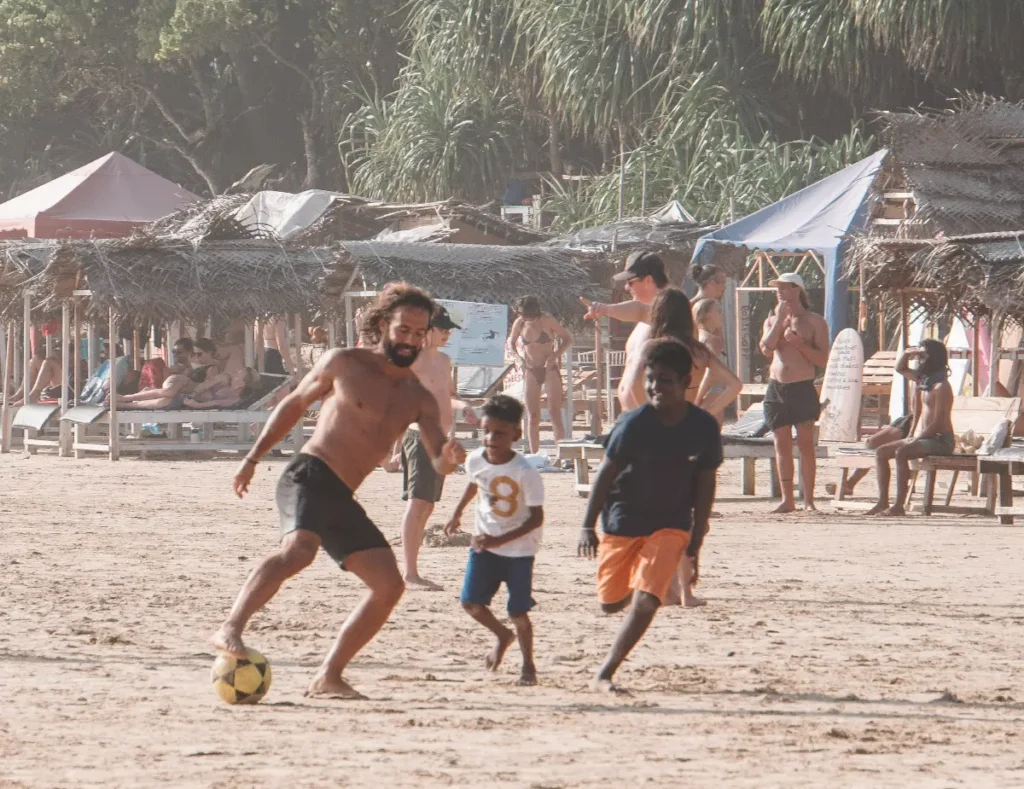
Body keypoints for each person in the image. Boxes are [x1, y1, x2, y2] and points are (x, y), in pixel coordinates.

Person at [212, 283, 466, 700]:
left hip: (342, 495)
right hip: (310, 474)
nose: (411, 341)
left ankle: (328, 676)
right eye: (404, 330)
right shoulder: (345, 363)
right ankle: (231, 627)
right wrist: (253, 457)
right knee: (299, 551)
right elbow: (294, 404)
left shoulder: (417, 397)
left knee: (389, 585)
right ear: (384, 325)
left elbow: (439, 458)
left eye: (419, 334)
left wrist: (451, 458)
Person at [577, 339, 721, 691]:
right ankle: (629, 588)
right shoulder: (634, 424)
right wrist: (586, 525)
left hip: (671, 523)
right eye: (651, 378)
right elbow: (606, 473)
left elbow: (706, 483)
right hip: (623, 520)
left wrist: (696, 539)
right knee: (610, 604)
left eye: (666, 379)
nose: (656, 387)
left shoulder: (702, 428)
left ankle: (606, 671)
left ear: (687, 382)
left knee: (647, 599)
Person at [646, 288, 740, 607]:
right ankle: (686, 591)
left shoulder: (653, 348)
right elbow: (734, 385)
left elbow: (635, 390)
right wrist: (707, 410)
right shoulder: (698, 351)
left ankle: (668, 588)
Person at [444, 394, 544, 686]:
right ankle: (502, 635)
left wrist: (500, 541)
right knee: (471, 603)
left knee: (518, 611)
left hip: (519, 552)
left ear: (516, 433)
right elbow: (474, 483)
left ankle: (528, 666)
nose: (490, 438)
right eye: (486, 431)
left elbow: (536, 518)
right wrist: (457, 512)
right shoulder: (476, 459)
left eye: (499, 433)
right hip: (483, 548)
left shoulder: (526, 472)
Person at [399, 305, 478, 591]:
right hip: (419, 436)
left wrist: (465, 406)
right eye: (442, 329)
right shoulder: (411, 360)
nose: (447, 334)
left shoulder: (444, 361)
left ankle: (412, 569)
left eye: (448, 330)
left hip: (442, 441)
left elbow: (449, 397)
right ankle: (409, 572)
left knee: (428, 505)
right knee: (417, 502)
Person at [758, 273, 830, 513]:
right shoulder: (771, 321)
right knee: (781, 443)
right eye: (777, 288)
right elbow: (766, 350)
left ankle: (809, 499)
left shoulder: (814, 321)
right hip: (776, 387)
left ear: (797, 290)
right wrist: (779, 322)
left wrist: (800, 344)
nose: (780, 291)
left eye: (785, 287)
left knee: (806, 443)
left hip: (802, 386)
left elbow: (823, 359)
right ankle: (787, 499)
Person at [866, 340, 955, 516]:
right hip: (925, 437)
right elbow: (900, 369)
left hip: (940, 439)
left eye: (923, 356)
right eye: (918, 356)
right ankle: (882, 501)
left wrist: (916, 438)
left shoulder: (941, 386)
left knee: (902, 452)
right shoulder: (925, 381)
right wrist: (907, 354)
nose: (919, 360)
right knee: (881, 452)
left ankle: (899, 505)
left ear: (934, 358)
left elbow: (938, 422)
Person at [580, 251, 670, 413]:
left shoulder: (668, 311)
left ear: (648, 280)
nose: (626, 287)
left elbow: (640, 311)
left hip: (656, 418)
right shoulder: (646, 318)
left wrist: (605, 309)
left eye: (630, 281)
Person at [508, 296, 573, 453]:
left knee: (554, 413)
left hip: (549, 368)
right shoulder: (520, 323)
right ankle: (534, 454)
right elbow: (511, 343)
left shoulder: (547, 320)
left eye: (527, 314)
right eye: (521, 314)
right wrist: (519, 359)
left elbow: (567, 339)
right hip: (531, 368)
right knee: (533, 416)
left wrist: (555, 355)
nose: (525, 317)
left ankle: (561, 456)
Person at [113, 338, 199, 409]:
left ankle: (124, 402)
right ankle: (125, 400)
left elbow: (175, 389)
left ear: (190, 352)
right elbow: (164, 386)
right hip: (165, 392)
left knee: (163, 398)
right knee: (149, 388)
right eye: (174, 352)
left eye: (179, 352)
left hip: (178, 395)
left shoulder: (194, 369)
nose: (176, 355)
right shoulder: (171, 369)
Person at [184, 367, 261, 409]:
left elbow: (217, 403)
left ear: (242, 384)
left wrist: (196, 405)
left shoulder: (235, 399)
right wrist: (192, 395)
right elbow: (204, 385)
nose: (234, 375)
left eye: (238, 375)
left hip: (190, 400)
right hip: (191, 389)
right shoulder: (225, 378)